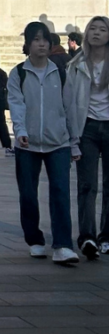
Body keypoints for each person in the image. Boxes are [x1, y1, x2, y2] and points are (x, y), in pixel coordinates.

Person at [7, 21, 79, 265]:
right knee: (28, 194)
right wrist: (20, 131)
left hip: (58, 142)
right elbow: (16, 104)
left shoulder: (60, 72)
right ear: (27, 44)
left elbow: (70, 107)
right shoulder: (18, 73)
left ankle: (63, 245)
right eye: (36, 39)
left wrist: (74, 141)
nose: (41, 44)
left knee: (60, 192)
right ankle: (35, 240)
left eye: (45, 39)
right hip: (27, 145)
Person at [66, 16, 109, 259]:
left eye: (102, 29)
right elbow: (69, 102)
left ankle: (106, 236)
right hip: (87, 129)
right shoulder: (76, 64)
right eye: (92, 28)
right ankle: (87, 236)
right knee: (87, 185)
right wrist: (73, 138)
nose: (96, 33)